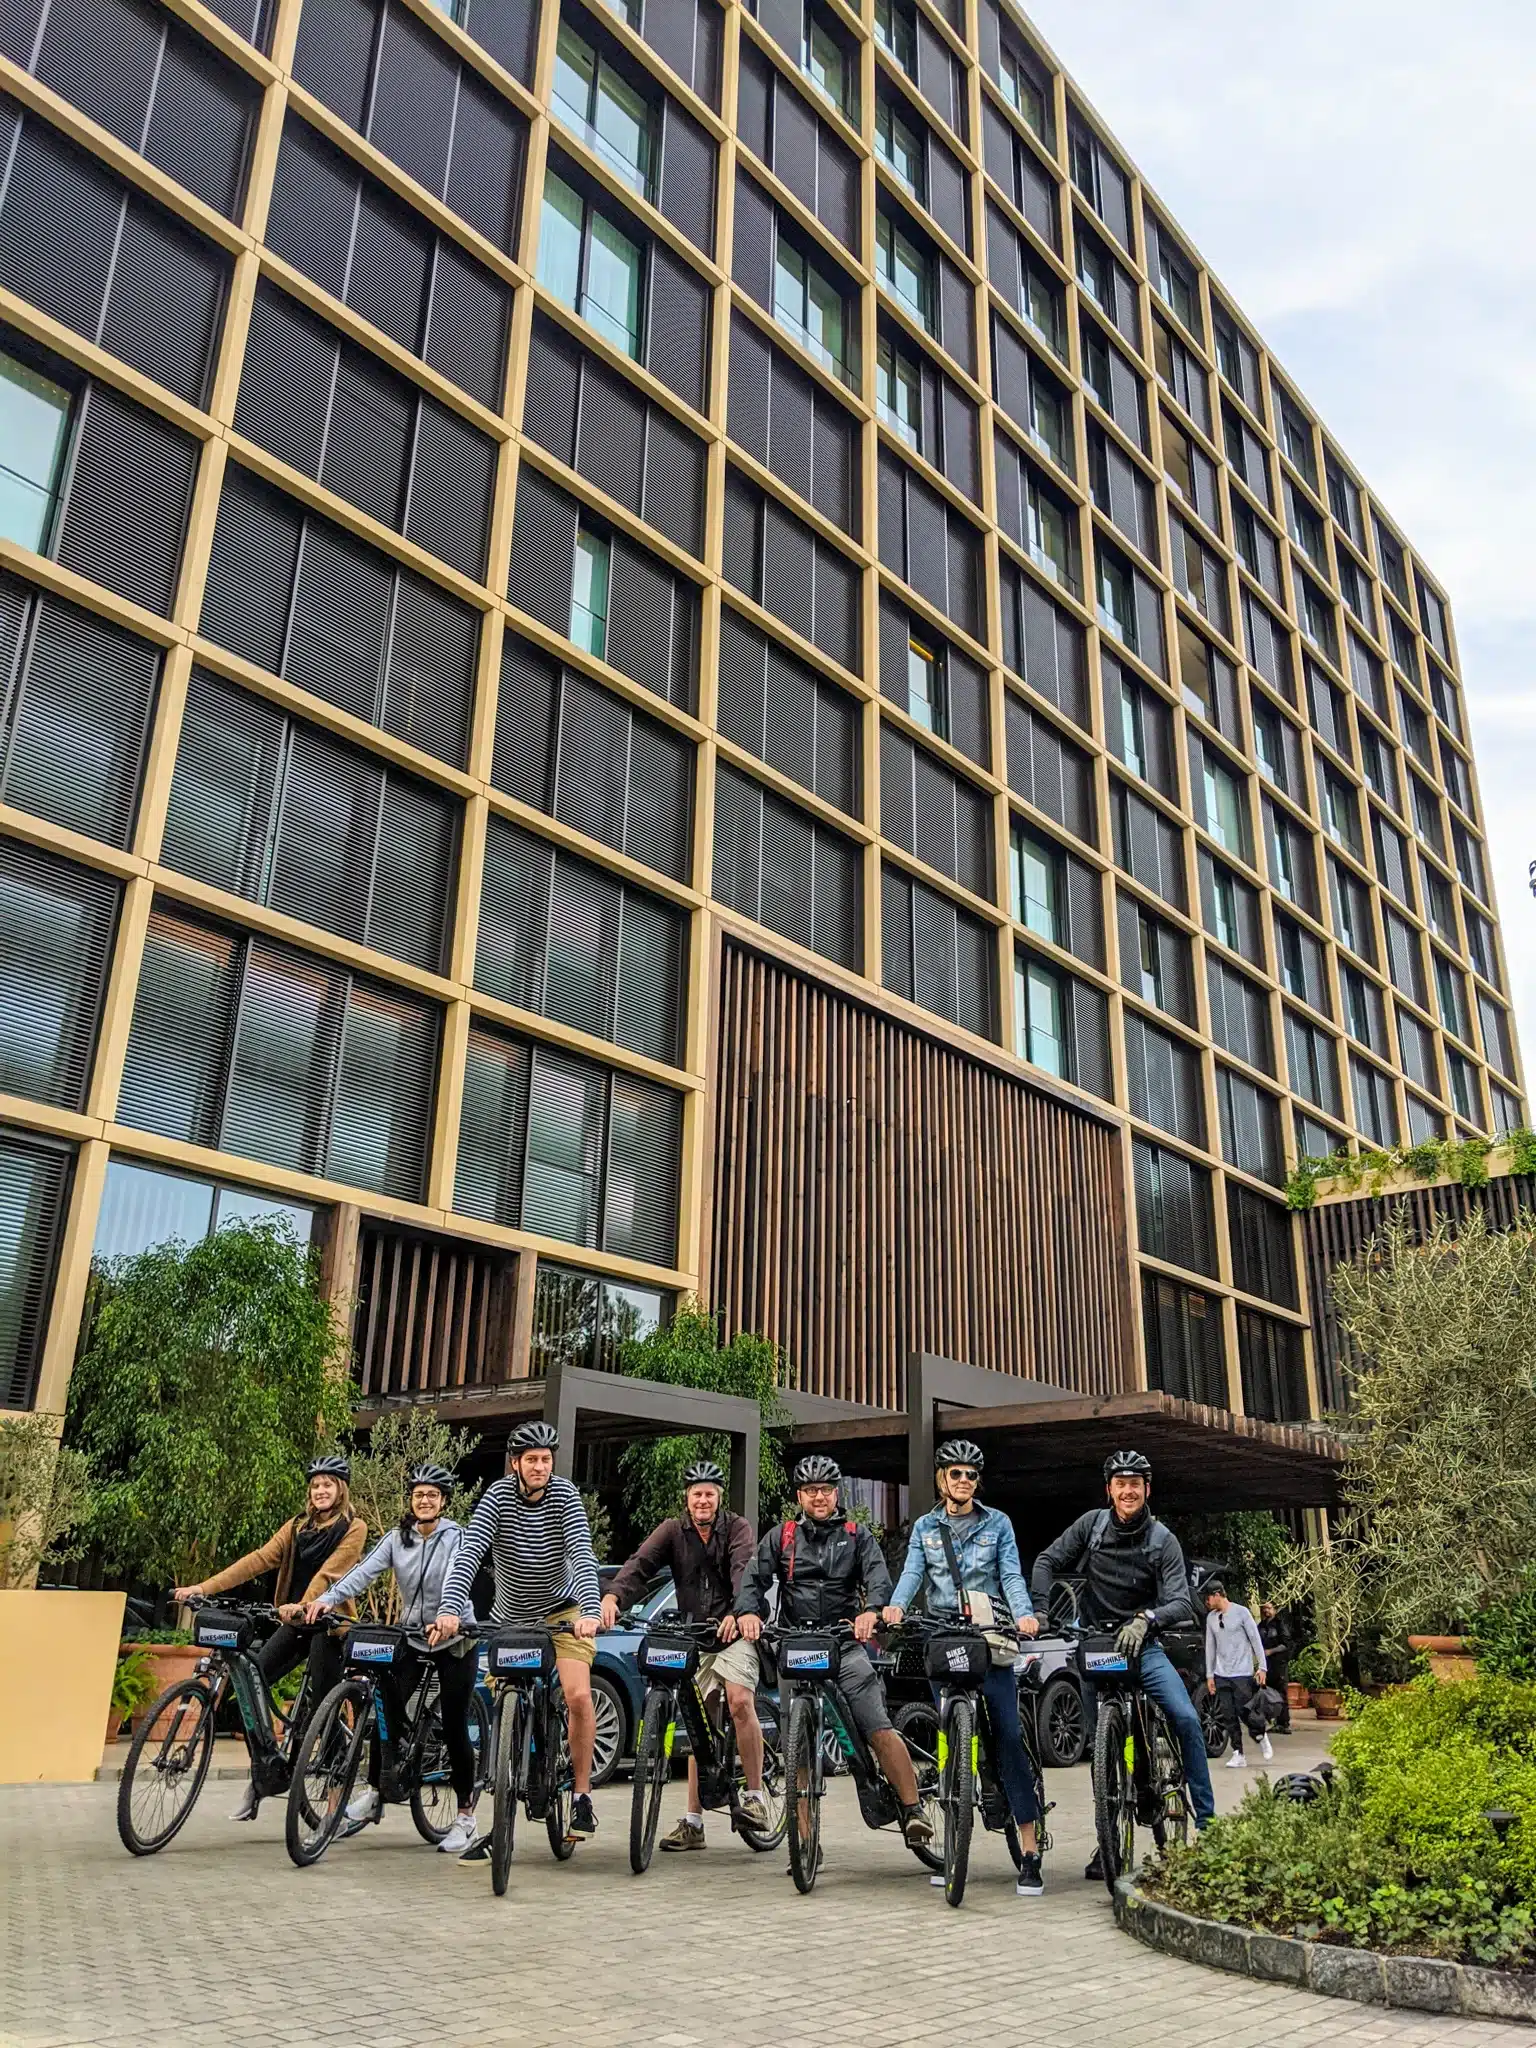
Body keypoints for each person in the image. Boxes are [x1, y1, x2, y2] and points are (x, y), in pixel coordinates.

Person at [735, 1455, 933, 1861]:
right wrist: (749, 1612)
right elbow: (753, 1579)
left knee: (876, 1726)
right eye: (811, 1491)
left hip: (844, 1645)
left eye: (825, 1490)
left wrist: (872, 1612)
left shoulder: (857, 1536)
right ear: (800, 1497)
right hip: (797, 1646)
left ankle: (913, 1809)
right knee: (797, 1748)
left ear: (836, 1494)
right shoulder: (782, 1536)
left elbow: (878, 1579)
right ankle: (806, 1843)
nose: (818, 1497)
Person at [1031, 1449, 1214, 1878]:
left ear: (1147, 1489)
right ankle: (1108, 1843)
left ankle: (1209, 1828)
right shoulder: (1092, 1526)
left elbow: (1181, 1602)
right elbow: (1046, 1561)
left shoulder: (1162, 1539)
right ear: (1109, 1490)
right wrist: (1040, 1610)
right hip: (1098, 1648)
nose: (1128, 1491)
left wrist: (1147, 1619)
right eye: (1120, 1484)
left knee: (1186, 1718)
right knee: (1103, 1752)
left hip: (1144, 1648)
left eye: (1135, 1484)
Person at [882, 1440, 1046, 1898]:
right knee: (951, 1744)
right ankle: (955, 1844)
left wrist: (1024, 1614)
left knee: (1008, 1737)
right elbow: (913, 1574)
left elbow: (1010, 1575)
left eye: (971, 1474)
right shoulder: (926, 1527)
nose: (964, 1481)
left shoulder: (998, 1524)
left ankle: (1030, 1850)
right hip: (943, 1638)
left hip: (989, 1639)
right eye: (956, 1473)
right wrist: (896, 1606)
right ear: (942, 1479)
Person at [430, 1420, 602, 1843]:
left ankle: (582, 1794)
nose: (540, 1466)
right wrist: (450, 1608)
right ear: (515, 1464)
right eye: (532, 1460)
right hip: (512, 1618)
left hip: (563, 1613)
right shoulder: (497, 1496)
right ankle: (507, 1779)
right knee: (506, 1697)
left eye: (546, 1459)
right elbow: (470, 1552)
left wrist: (590, 1610)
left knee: (578, 1695)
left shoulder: (565, 1496)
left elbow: (581, 1553)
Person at [176, 1452, 365, 1821]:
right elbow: (259, 1559)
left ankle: (333, 1797)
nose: (320, 1491)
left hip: (328, 1625)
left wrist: (305, 1604)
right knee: (249, 1685)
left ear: (340, 1489)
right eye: (315, 1485)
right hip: (294, 1622)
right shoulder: (296, 1527)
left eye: (327, 1484)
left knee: (323, 1706)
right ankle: (265, 1774)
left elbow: (330, 1573)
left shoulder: (353, 1527)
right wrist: (203, 1587)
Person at [305, 1462, 481, 1854]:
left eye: (432, 1495)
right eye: (419, 1494)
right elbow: (362, 1572)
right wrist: (327, 1599)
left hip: (456, 1639)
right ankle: (376, 1791)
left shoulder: (458, 1537)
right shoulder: (397, 1539)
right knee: (383, 1708)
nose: (425, 1500)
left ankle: (465, 1816)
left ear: (444, 1501)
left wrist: (449, 1615)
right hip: (414, 1638)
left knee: (455, 1725)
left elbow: (460, 1576)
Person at [601, 1459, 768, 1851]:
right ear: (687, 1498)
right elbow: (640, 1565)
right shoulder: (673, 1531)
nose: (703, 1500)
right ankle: (693, 1822)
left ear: (719, 1497)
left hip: (734, 1631)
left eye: (709, 1494)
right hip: (695, 1636)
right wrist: (613, 1597)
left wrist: (740, 1612)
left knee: (738, 1701)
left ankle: (755, 1797)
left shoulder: (737, 1528)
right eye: (697, 1494)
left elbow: (744, 1573)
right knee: (698, 1723)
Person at [1205, 1581, 1271, 1768]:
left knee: (1245, 1711)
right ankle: (1238, 1753)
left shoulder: (1242, 1612)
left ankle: (1261, 1734)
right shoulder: (1211, 1618)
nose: (1207, 1602)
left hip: (1242, 1671)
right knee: (1228, 1714)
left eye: (1208, 1597)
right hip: (1221, 1672)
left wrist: (1262, 1667)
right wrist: (1210, 1675)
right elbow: (1210, 1647)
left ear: (1218, 1595)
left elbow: (1255, 1640)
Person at [1258, 1600, 1293, 1733]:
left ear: (1275, 1609)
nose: (1266, 1610)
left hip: (1279, 1663)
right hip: (1266, 1665)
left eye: (1269, 1608)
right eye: (1264, 1608)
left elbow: (1286, 1644)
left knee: (1281, 1692)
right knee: (1269, 1693)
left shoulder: (1280, 1624)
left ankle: (1284, 1723)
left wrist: (1271, 1651)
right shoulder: (1261, 1626)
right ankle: (1274, 1721)